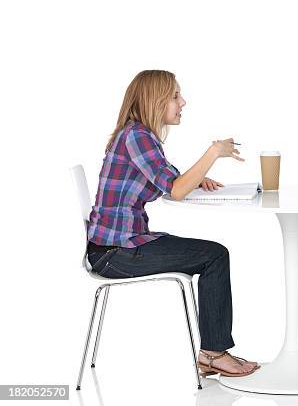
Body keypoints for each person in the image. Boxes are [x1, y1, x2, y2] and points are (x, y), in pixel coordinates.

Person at [87, 70, 258, 377]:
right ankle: (213, 355)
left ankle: (213, 354)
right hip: (115, 252)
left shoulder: (138, 135)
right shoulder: (137, 136)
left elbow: (172, 180)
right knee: (214, 255)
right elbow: (177, 190)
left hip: (118, 246)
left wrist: (197, 179)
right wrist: (213, 152)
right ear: (156, 100)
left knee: (213, 253)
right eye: (176, 96)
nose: (183, 102)